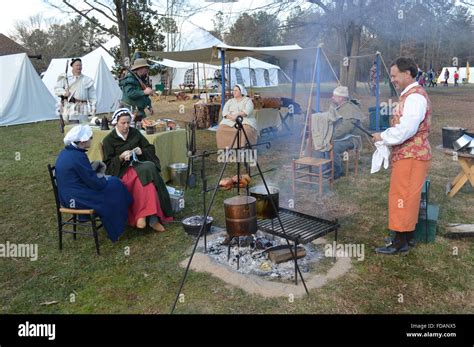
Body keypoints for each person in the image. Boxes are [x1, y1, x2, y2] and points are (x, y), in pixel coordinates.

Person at [372, 57, 431, 255]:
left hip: (412, 156)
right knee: (408, 196)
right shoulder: (410, 95)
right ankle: (406, 236)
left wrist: (383, 136)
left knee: (401, 196)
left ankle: (399, 243)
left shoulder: (415, 98)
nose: (393, 80)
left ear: (408, 74)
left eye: (395, 76)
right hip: (409, 155)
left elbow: (406, 129)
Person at [55, 125, 132, 242]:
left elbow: (81, 175)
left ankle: (122, 217)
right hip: (76, 197)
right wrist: (104, 178)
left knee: (113, 183)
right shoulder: (78, 156)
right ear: (83, 141)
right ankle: (119, 223)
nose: (92, 139)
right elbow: (96, 184)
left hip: (67, 195)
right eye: (90, 137)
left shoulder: (67, 152)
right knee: (115, 185)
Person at [102, 108, 173, 232]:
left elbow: (149, 149)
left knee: (147, 178)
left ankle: (146, 218)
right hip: (122, 171)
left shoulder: (135, 133)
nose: (126, 126)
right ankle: (149, 218)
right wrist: (120, 157)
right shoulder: (109, 140)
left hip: (138, 166)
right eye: (123, 123)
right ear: (115, 123)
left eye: (128, 123)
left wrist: (141, 151)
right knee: (148, 176)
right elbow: (108, 166)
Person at [311, 86, 364, 180]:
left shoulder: (350, 109)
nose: (332, 97)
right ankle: (325, 168)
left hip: (351, 138)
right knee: (322, 143)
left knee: (333, 147)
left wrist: (331, 136)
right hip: (339, 136)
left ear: (341, 98)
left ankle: (336, 172)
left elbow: (346, 128)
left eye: (334, 96)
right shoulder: (337, 106)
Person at [54, 58, 97, 124]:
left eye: (80, 65)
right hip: (71, 107)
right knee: (73, 127)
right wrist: (64, 93)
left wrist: (93, 107)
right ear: (72, 66)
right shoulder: (66, 78)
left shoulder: (87, 80)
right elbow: (57, 89)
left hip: (83, 107)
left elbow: (92, 96)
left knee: (84, 127)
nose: (79, 67)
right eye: (77, 65)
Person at [216, 84, 257, 149]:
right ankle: (225, 148)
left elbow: (247, 111)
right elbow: (224, 112)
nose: (234, 92)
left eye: (236, 90)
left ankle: (242, 148)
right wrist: (231, 117)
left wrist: (237, 115)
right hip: (230, 120)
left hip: (245, 120)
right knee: (221, 129)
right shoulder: (230, 101)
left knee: (245, 130)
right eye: (233, 90)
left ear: (241, 92)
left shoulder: (247, 100)